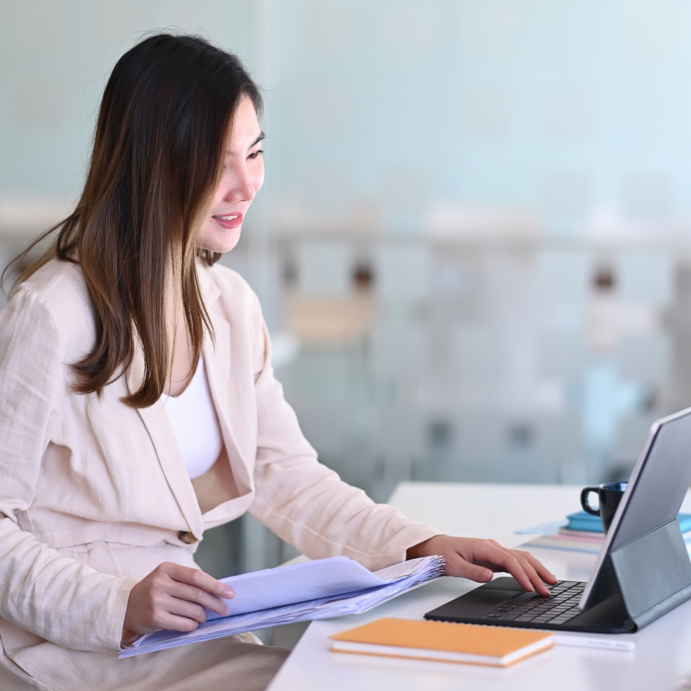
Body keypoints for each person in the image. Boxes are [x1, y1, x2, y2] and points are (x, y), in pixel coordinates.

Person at [0, 33, 557, 691]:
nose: (246, 184)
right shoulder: (52, 311)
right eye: (216, 161)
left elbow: (284, 474)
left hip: (182, 626)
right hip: (73, 643)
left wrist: (421, 546)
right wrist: (116, 603)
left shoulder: (229, 305)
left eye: (255, 153)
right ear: (150, 165)